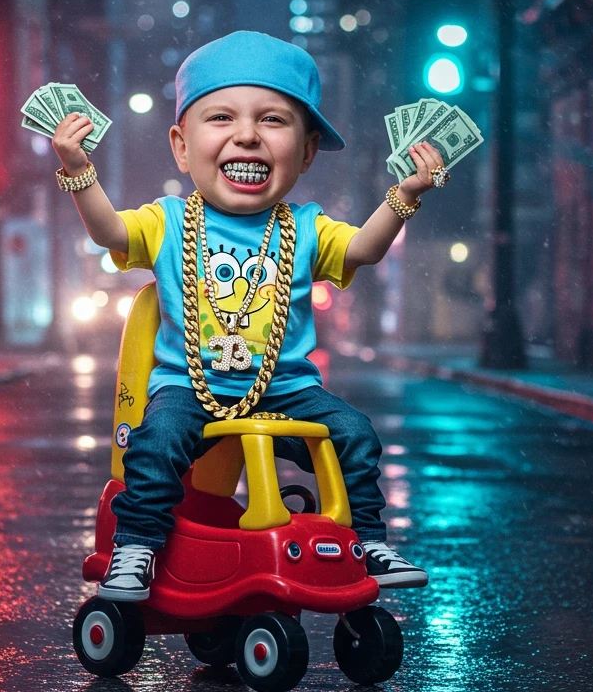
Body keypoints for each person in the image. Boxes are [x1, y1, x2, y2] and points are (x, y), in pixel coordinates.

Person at [51, 30, 448, 601]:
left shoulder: (307, 227)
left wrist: (405, 195)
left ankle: (367, 539)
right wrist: (77, 170)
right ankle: (136, 546)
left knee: (355, 434)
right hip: (189, 388)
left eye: (273, 121)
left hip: (286, 390)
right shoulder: (166, 222)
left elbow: (362, 249)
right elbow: (109, 231)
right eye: (220, 118)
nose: (246, 136)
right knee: (155, 443)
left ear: (307, 151)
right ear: (182, 146)